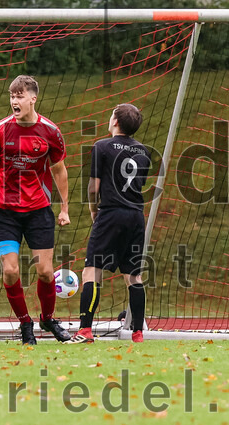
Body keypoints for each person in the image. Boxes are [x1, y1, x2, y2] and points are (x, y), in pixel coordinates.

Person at [0, 75, 72, 345]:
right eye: (12, 96)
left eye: (20, 96)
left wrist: (64, 208)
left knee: (46, 272)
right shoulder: (0, 130)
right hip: (4, 211)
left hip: (39, 210)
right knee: (11, 271)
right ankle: (25, 323)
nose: (14, 101)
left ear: (33, 99)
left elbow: (59, 170)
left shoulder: (50, 131)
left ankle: (48, 319)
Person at [71, 104, 151, 344]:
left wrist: (94, 211)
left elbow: (94, 186)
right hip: (136, 216)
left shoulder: (101, 146)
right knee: (133, 276)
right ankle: (138, 333)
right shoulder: (144, 151)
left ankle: (85, 330)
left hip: (111, 213)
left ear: (115, 120)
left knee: (91, 270)